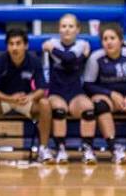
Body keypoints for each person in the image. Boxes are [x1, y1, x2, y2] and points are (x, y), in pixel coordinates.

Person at [83, 24, 126, 164]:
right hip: (109, 97)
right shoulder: (96, 58)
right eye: (105, 39)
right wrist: (110, 94)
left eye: (112, 38)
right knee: (99, 104)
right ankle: (114, 148)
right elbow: (88, 85)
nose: (108, 42)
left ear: (121, 40)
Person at [0, 29, 53, 163]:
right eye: (11, 44)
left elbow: (42, 88)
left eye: (18, 43)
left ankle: (43, 148)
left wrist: (30, 97)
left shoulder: (34, 61)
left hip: (25, 101)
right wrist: (10, 98)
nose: (14, 47)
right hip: (4, 100)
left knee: (45, 103)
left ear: (25, 45)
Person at [42, 14, 96, 164]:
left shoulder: (82, 44)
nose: (67, 30)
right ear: (59, 29)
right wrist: (82, 58)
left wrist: (54, 51)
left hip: (75, 92)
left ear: (78, 29)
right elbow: (69, 61)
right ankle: (61, 149)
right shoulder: (52, 42)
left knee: (88, 109)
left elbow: (68, 59)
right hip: (56, 91)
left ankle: (87, 148)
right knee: (59, 110)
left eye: (71, 26)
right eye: (63, 26)